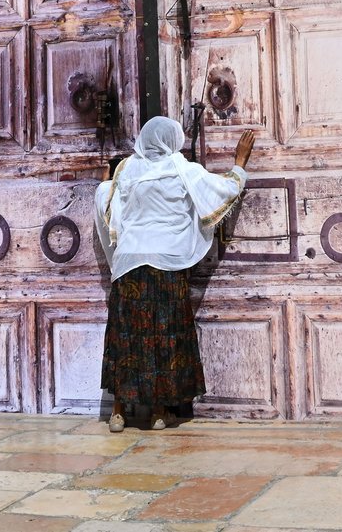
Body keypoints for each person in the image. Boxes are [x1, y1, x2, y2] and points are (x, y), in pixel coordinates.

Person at [92, 115, 255, 432]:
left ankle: (119, 411)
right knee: (163, 334)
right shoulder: (183, 169)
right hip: (165, 262)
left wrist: (104, 182)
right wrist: (239, 163)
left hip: (129, 263)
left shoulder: (127, 169)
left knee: (127, 335)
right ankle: (157, 412)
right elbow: (222, 191)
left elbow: (107, 200)